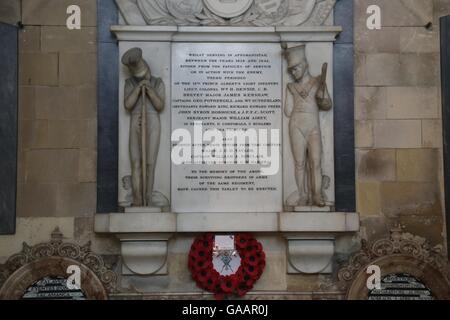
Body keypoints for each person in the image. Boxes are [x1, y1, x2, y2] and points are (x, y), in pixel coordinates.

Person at [283, 44, 332, 207]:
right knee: (299, 163)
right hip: (296, 124)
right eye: (291, 70)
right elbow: (288, 111)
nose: (293, 72)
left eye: (295, 68)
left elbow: (327, 105)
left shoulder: (318, 81)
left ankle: (317, 195)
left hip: (313, 126)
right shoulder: (290, 86)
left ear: (304, 65)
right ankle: (303, 195)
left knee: (315, 161)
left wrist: (321, 96)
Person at [122, 47, 165, 206]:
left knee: (150, 163)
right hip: (136, 121)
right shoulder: (129, 83)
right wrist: (138, 89)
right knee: (136, 162)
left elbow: (160, 105)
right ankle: (137, 200)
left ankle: (148, 198)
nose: (142, 78)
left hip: (152, 122)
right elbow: (128, 105)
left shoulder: (157, 82)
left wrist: (150, 90)